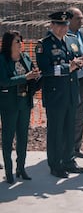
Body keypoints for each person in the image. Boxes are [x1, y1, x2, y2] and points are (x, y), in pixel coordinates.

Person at [36, 11, 83, 178]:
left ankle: (69, 160)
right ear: (52, 25)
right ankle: (55, 164)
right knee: (56, 131)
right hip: (55, 95)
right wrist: (68, 68)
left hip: (72, 92)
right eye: (59, 25)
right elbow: (45, 70)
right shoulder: (44, 44)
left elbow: (77, 57)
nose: (62, 28)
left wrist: (79, 63)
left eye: (65, 25)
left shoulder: (72, 40)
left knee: (69, 129)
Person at [0, 31, 41, 184]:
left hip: (24, 102)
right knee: (8, 138)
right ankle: (9, 171)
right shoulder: (2, 59)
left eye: (21, 40)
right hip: (9, 104)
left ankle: (21, 168)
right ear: (9, 43)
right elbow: (4, 81)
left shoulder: (26, 57)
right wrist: (25, 77)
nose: (20, 43)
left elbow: (32, 76)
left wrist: (36, 76)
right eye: (17, 41)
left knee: (23, 137)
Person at [67, 7, 83, 159]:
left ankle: (76, 147)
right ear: (69, 19)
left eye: (82, 18)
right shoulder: (64, 35)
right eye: (78, 18)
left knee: (80, 116)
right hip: (69, 81)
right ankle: (66, 148)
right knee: (69, 115)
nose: (81, 21)